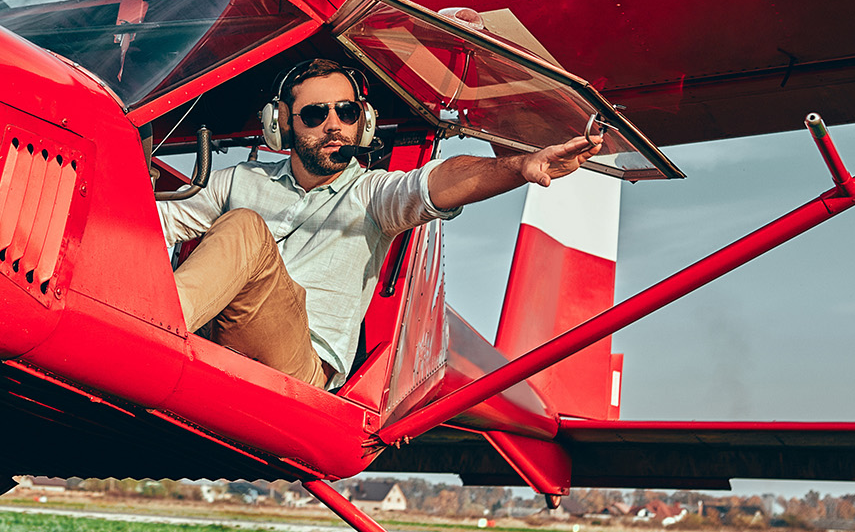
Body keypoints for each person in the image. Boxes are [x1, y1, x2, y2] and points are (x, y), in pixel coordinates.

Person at [158, 57, 601, 388]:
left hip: (299, 367)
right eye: (315, 115)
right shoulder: (238, 180)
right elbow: (155, 221)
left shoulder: (372, 194)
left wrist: (520, 166)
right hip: (218, 335)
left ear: (363, 122)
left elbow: (433, 185)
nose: (335, 126)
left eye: (347, 113)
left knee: (243, 228)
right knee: (234, 224)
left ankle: (154, 335)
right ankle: (152, 329)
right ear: (281, 126)